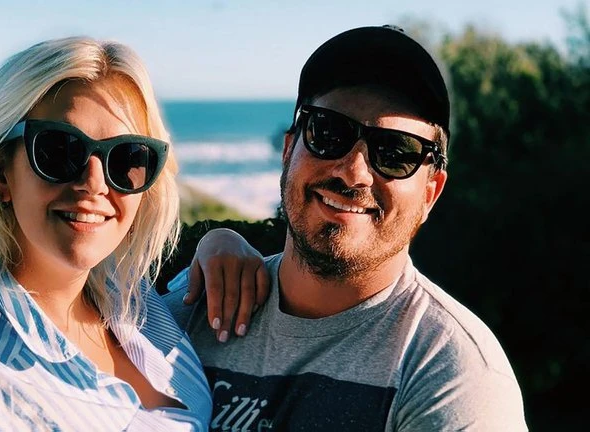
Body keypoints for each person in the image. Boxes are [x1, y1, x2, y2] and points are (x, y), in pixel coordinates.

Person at [165, 25, 528, 430]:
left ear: (430, 193)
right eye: (329, 132)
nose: (354, 172)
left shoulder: (451, 375)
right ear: (288, 149)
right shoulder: (189, 313)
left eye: (395, 152)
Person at [0, 36, 212, 431]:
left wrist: (223, 245)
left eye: (127, 158)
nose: (94, 183)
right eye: (60, 150)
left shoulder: (134, 302)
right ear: (0, 173)